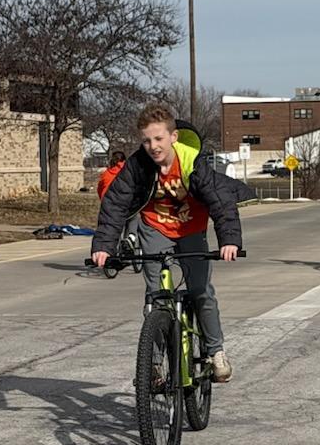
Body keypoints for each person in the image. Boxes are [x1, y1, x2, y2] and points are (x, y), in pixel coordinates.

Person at [90, 104, 254, 384]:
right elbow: (116, 202)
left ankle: (216, 352)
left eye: (158, 139)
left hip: (191, 228)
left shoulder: (192, 161)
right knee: (156, 298)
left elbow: (220, 200)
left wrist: (229, 241)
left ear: (173, 137)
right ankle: (153, 365)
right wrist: (104, 245)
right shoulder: (138, 165)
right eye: (146, 140)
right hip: (155, 228)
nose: (153, 146)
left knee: (201, 291)